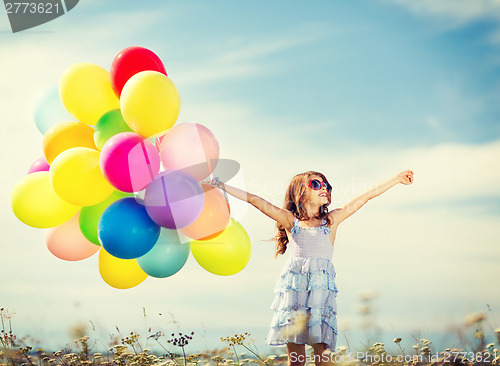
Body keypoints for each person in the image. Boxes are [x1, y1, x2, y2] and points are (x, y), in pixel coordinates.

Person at [208, 169, 414, 366]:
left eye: (326, 184)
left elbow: (366, 196)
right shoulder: (291, 221)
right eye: (316, 184)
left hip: (321, 296)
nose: (323, 187)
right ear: (301, 192)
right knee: (296, 360)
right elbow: (254, 200)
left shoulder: (332, 221)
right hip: (294, 294)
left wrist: (396, 179)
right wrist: (220, 185)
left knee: (323, 356)